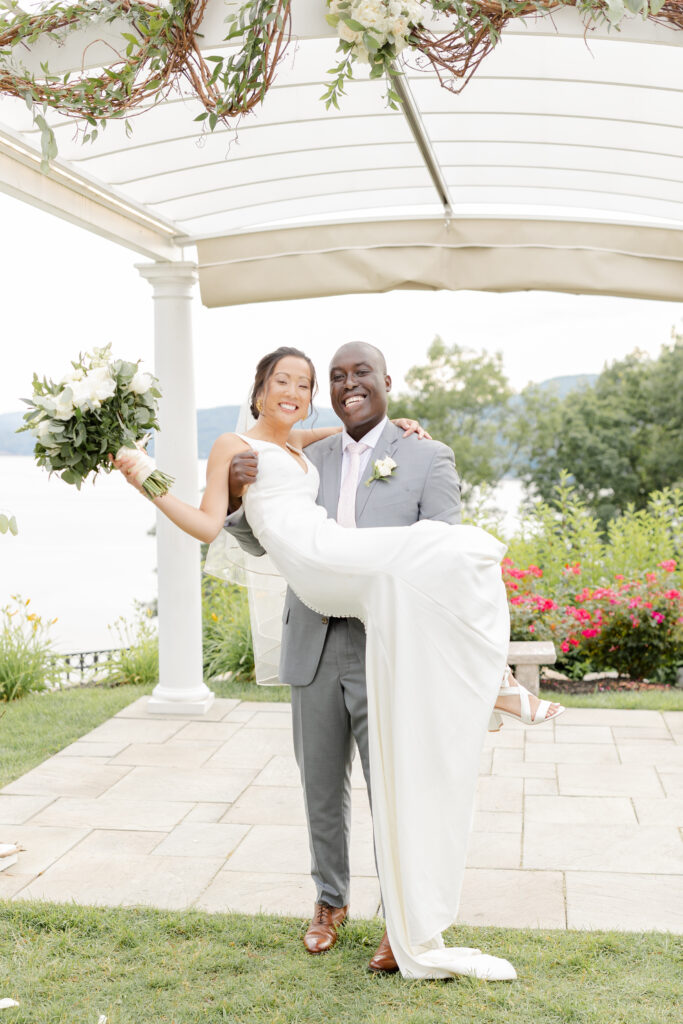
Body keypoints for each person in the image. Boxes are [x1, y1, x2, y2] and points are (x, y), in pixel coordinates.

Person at [114, 344, 562, 982]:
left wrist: (398, 429)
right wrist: (176, 483)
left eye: (310, 381)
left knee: (394, 782)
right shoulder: (263, 450)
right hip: (316, 629)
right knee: (321, 789)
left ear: (385, 382)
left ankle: (399, 918)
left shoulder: (410, 451)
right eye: (291, 381)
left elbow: (352, 450)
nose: (307, 390)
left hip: (384, 638)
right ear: (261, 388)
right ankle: (329, 903)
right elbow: (228, 526)